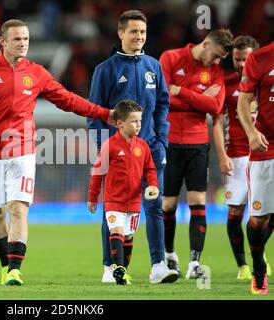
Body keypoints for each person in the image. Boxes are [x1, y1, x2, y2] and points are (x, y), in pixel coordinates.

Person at [0, 19, 114, 286]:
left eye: (26, 39)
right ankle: (4, 266)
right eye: (17, 39)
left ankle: (14, 269)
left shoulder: (37, 73)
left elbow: (68, 100)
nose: (23, 44)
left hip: (22, 150)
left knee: (18, 208)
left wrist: (104, 113)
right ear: (3, 41)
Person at [87, 9, 179, 284]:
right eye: (133, 31)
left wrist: (161, 140)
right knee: (112, 207)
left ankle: (158, 266)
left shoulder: (154, 66)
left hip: (150, 149)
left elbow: (162, 105)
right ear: (120, 33)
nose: (139, 36)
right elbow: (94, 113)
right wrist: (106, 148)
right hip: (116, 153)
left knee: (154, 206)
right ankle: (108, 266)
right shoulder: (106, 69)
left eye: (142, 32)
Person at [159, 29, 233, 279]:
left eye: (221, 59)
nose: (217, 62)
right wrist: (199, 98)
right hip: (169, 142)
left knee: (198, 204)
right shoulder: (171, 58)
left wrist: (182, 92)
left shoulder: (215, 72)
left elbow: (215, 107)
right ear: (206, 43)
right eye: (216, 56)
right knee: (167, 205)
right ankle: (170, 256)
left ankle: (194, 264)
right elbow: (163, 98)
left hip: (198, 144)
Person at [212, 36, 272, 280]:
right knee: (237, 212)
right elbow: (216, 121)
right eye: (236, 59)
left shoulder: (263, 78)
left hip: (262, 151)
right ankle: (243, 266)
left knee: (266, 215)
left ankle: (259, 253)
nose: (240, 64)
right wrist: (222, 154)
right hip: (238, 156)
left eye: (244, 59)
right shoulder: (227, 85)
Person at [87, 99, 160, 285]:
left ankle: (123, 271)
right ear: (120, 123)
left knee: (128, 236)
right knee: (117, 232)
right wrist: (92, 198)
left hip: (134, 202)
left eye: (140, 121)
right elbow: (97, 172)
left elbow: (150, 169)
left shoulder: (142, 146)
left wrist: (153, 185)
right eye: (134, 121)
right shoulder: (109, 145)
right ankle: (117, 268)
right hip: (114, 201)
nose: (139, 125)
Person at [237, 41, 274, 295]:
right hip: (266, 149)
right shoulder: (260, 58)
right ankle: (258, 269)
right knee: (259, 218)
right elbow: (244, 101)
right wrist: (250, 132)